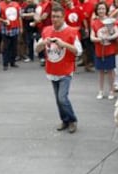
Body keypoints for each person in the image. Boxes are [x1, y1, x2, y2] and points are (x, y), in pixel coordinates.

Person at [35, 4, 82, 134]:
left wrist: (64, 44)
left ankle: (72, 120)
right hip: (52, 69)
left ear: (63, 17)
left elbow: (78, 51)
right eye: (53, 16)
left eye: (58, 17)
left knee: (62, 98)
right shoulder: (46, 30)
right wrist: (42, 43)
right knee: (58, 99)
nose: (55, 19)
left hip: (66, 70)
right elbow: (37, 49)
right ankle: (65, 120)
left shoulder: (71, 31)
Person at [90, 1, 118, 100]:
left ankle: (111, 90)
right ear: (96, 11)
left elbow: (117, 33)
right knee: (101, 72)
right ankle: (101, 90)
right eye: (99, 9)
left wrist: (110, 38)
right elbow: (92, 37)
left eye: (103, 8)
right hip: (99, 50)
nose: (101, 11)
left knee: (111, 71)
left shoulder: (111, 21)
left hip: (110, 50)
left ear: (106, 10)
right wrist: (100, 39)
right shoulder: (94, 23)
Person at [0, 0, 23, 70]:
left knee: (14, 47)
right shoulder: (0, 5)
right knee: (6, 47)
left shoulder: (16, 4)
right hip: (5, 30)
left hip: (15, 29)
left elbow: (19, 16)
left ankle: (12, 62)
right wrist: (3, 21)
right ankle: (5, 64)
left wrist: (21, 27)